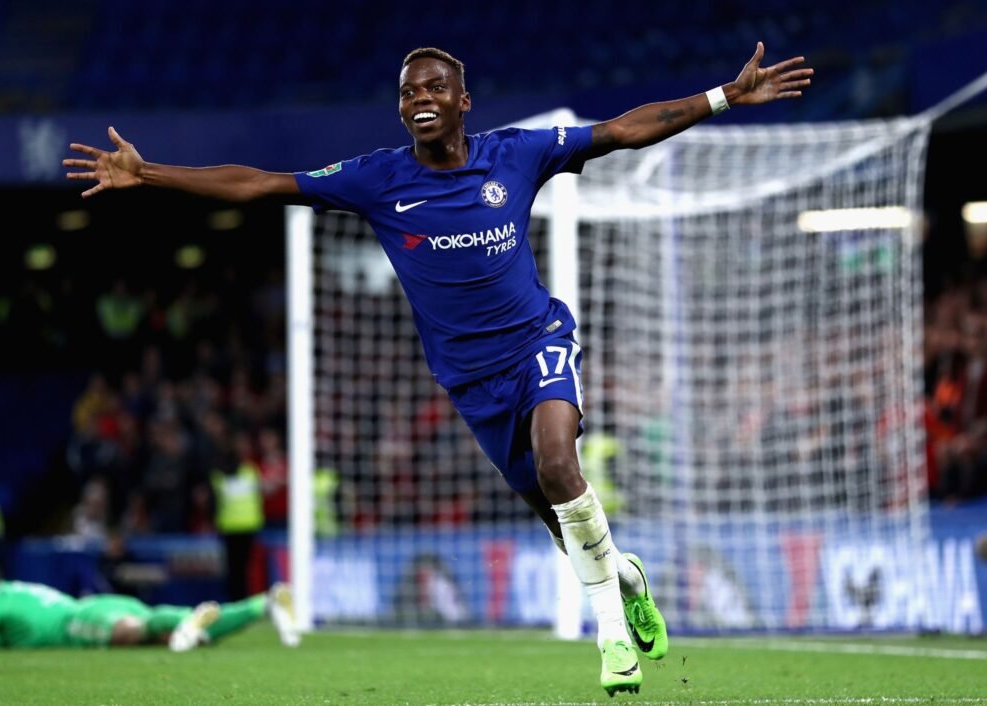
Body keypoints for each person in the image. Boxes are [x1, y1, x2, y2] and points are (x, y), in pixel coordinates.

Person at [63, 42, 812, 695]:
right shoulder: (376, 179)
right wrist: (150, 173)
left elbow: (621, 130)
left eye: (432, 88)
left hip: (537, 345)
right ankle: (624, 577)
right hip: (471, 382)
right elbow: (262, 184)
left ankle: (612, 631)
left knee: (561, 463)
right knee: (558, 520)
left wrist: (723, 95)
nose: (419, 99)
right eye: (407, 92)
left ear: (462, 101)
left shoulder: (517, 153)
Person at [0, 558, 299, 652]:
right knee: (161, 631)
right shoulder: (19, 592)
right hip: (98, 604)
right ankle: (264, 603)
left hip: (80, 619)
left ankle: (185, 622)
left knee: (128, 631)